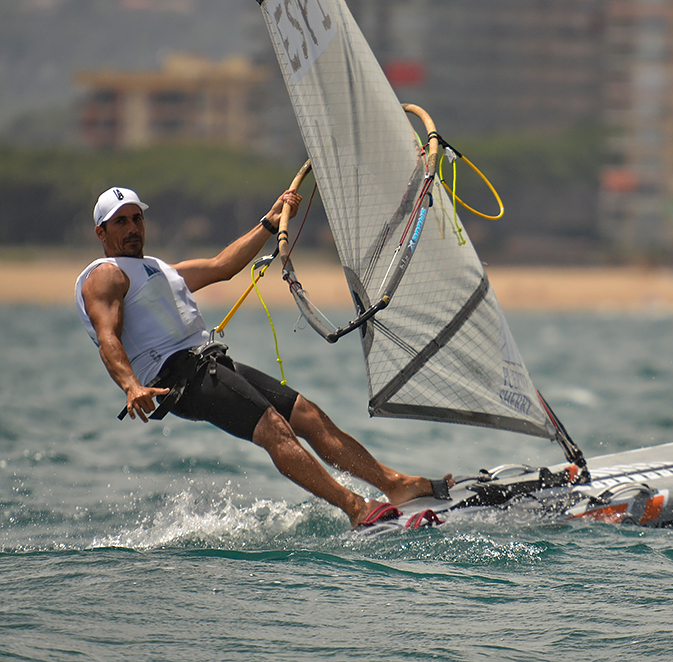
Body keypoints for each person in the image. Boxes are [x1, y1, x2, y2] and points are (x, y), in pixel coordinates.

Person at [75, 186, 450, 529]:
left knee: (308, 414)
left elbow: (222, 265)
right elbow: (108, 335)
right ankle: (356, 508)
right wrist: (130, 386)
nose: (132, 228)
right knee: (274, 429)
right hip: (179, 378)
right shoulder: (106, 276)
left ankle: (395, 485)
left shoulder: (154, 269)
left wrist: (270, 223)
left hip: (209, 363)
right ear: (101, 233)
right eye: (120, 222)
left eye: (137, 218)